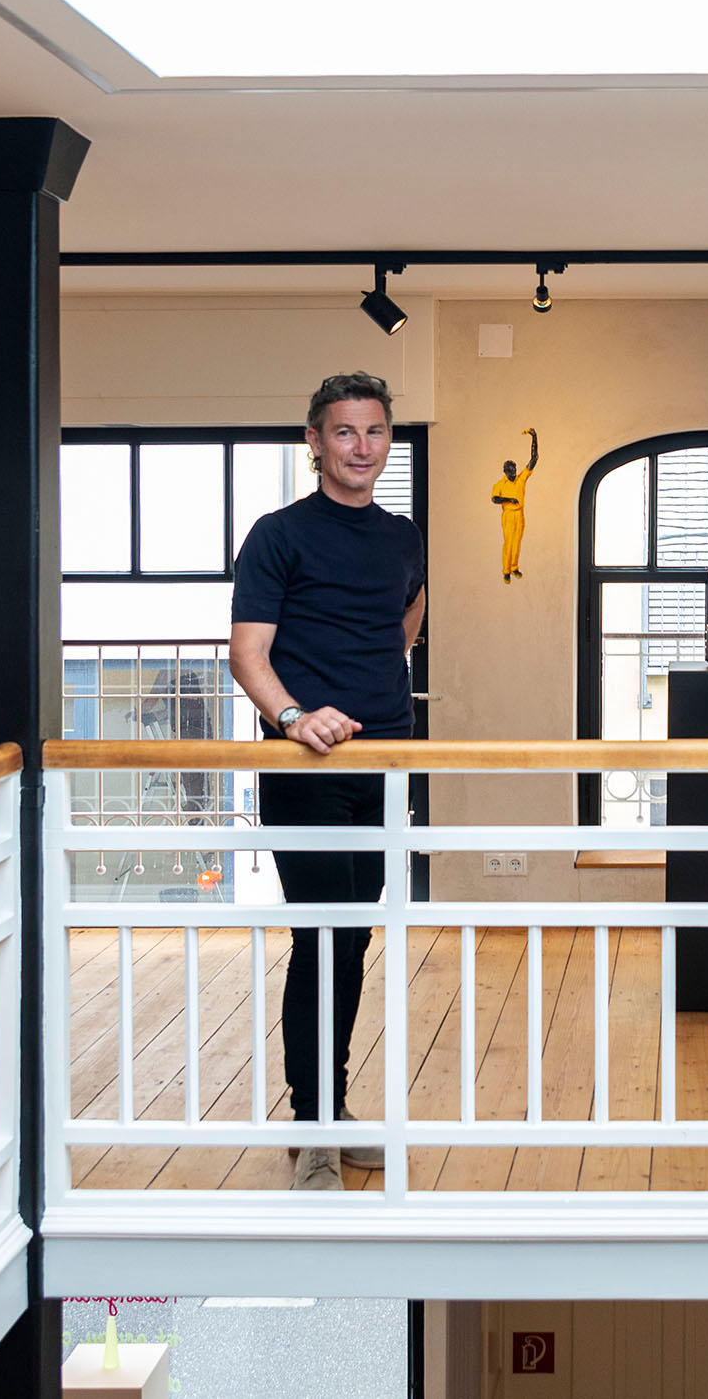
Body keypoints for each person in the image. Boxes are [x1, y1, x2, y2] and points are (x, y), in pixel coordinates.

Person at [228, 372, 426, 1191]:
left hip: (384, 762)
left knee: (354, 935)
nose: (360, 447)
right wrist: (294, 716)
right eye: (344, 431)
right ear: (314, 441)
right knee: (322, 933)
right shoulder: (278, 535)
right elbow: (246, 653)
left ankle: (331, 1109)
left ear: (388, 440)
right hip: (304, 765)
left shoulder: (403, 536)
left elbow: (406, 616)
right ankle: (313, 1124)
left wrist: (378, 675)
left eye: (374, 431)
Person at [492, 427, 538, 580]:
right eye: (510, 472)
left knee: (517, 542)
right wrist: (509, 499)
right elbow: (494, 499)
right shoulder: (500, 484)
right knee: (509, 542)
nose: (513, 474)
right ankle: (506, 570)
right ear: (505, 471)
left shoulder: (521, 479)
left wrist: (534, 438)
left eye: (514, 471)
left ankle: (514, 567)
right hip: (508, 515)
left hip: (520, 514)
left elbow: (534, 459)